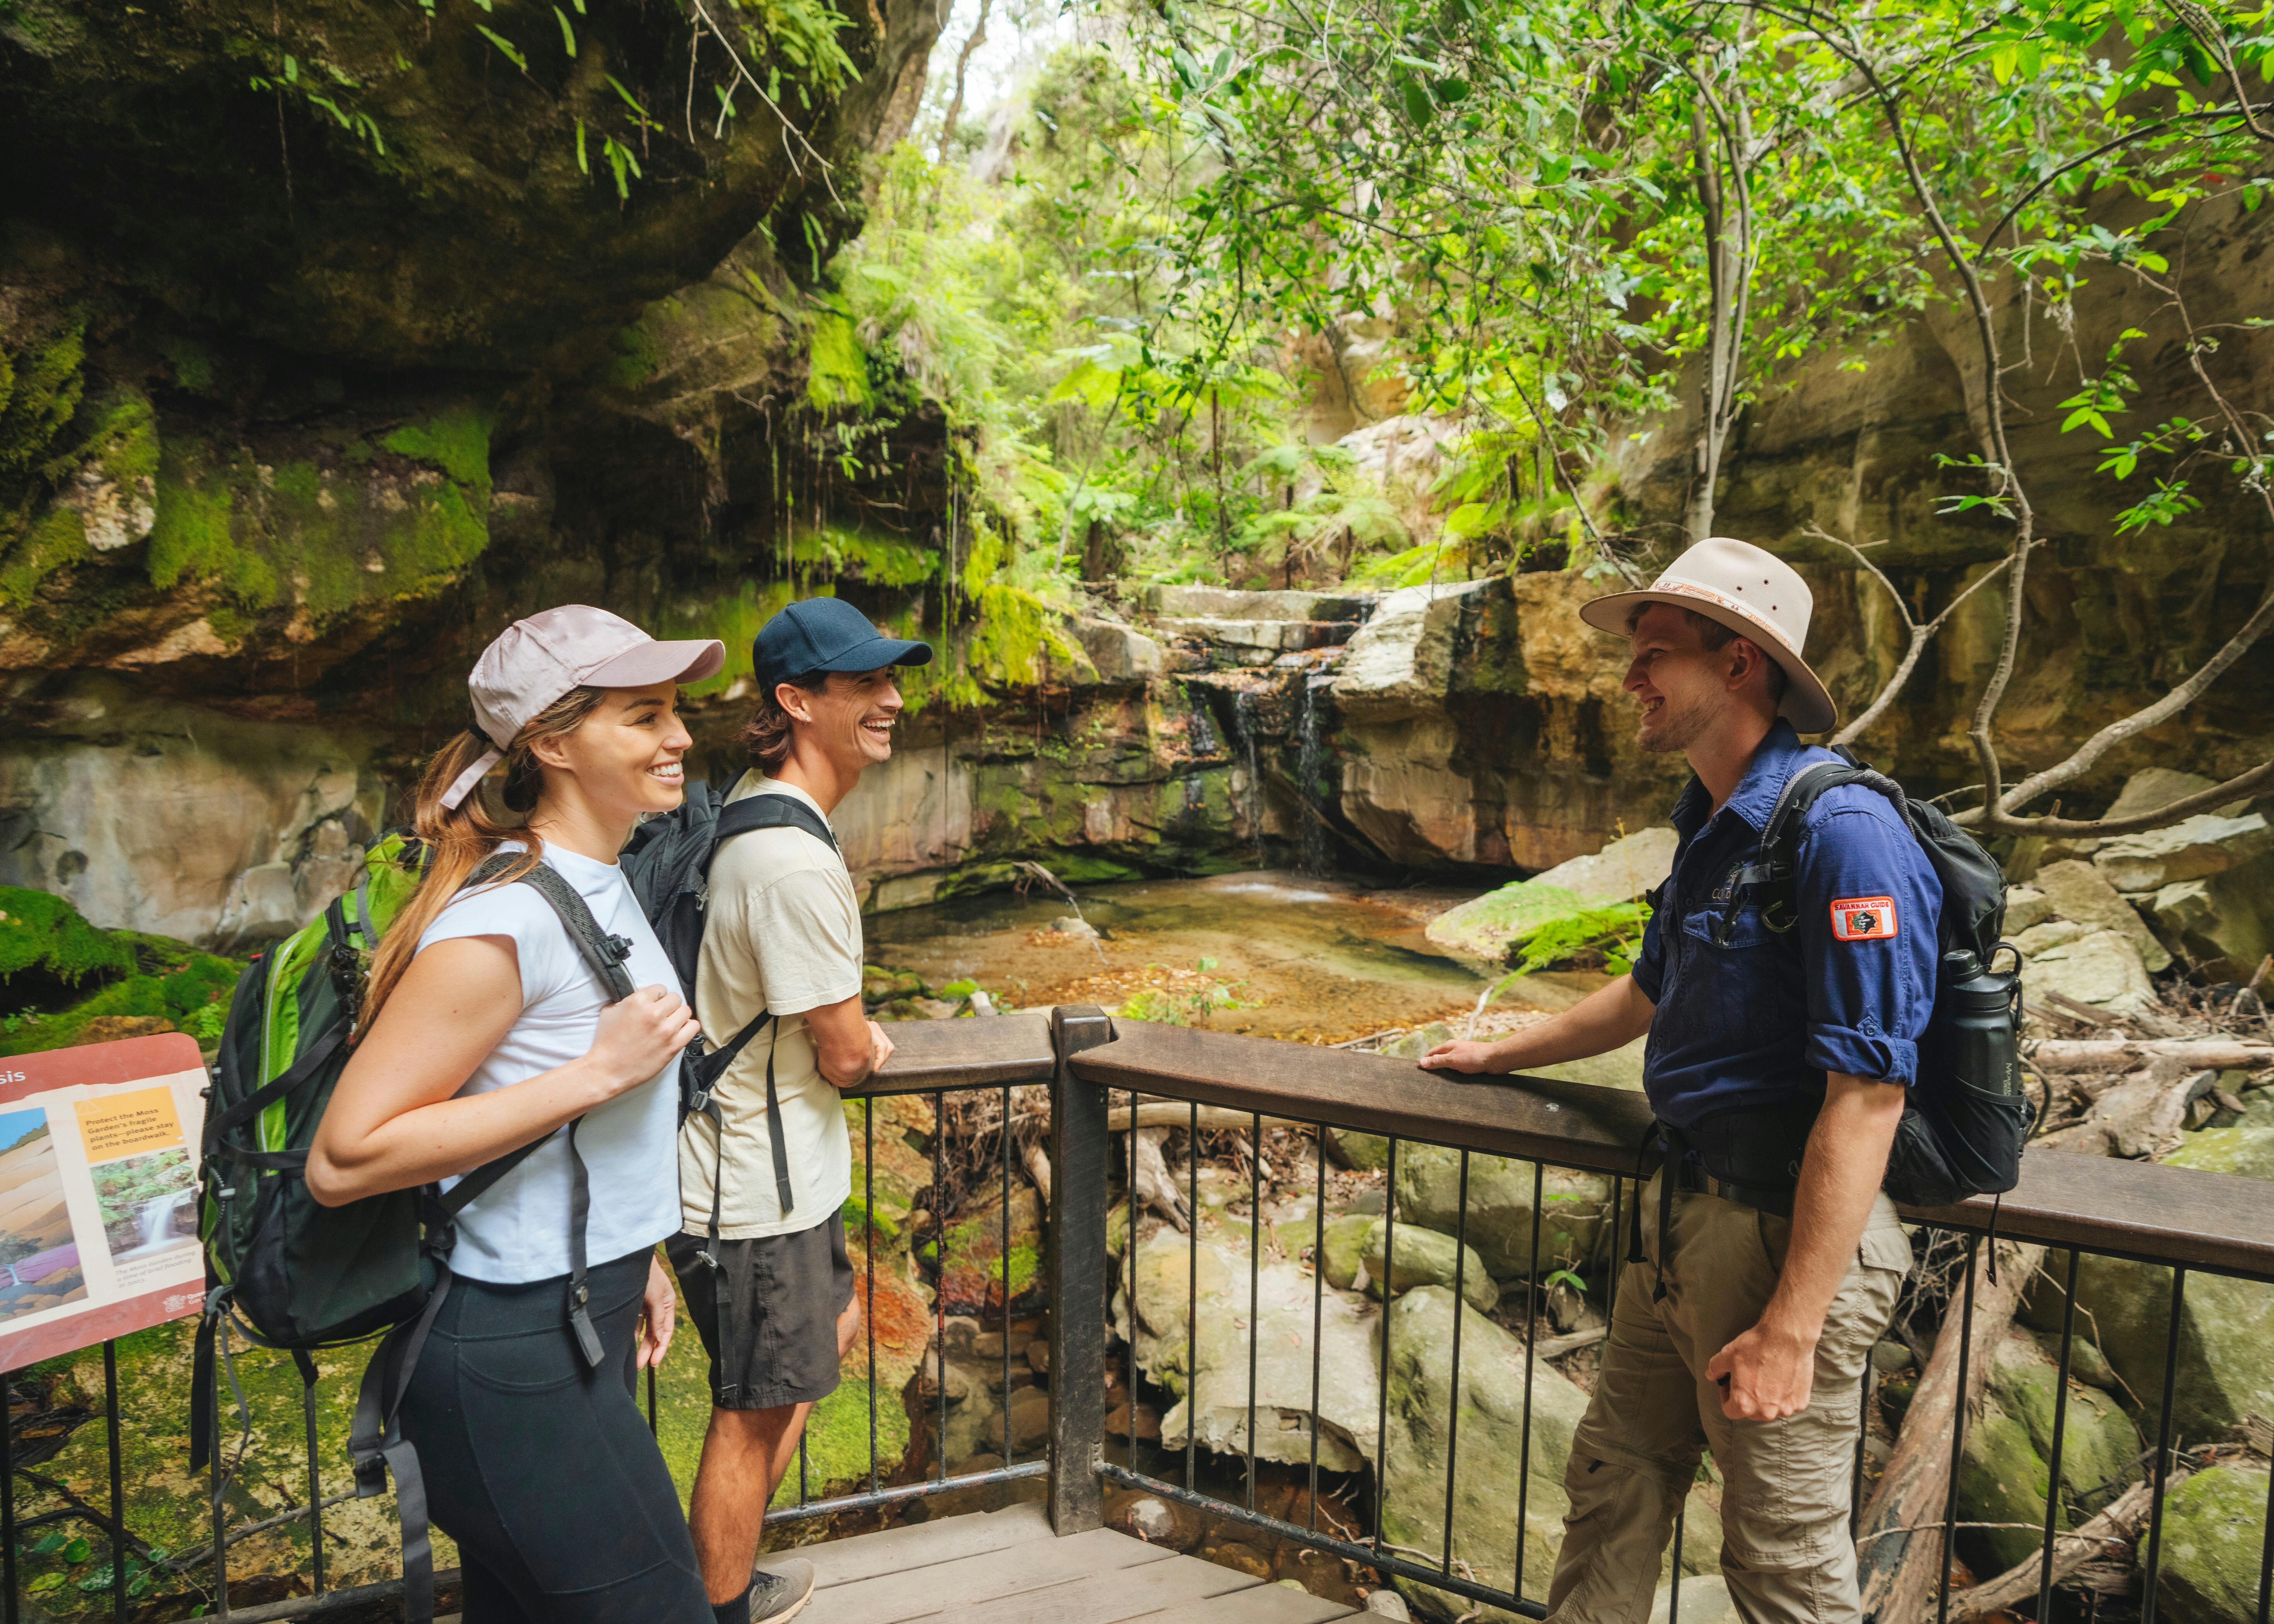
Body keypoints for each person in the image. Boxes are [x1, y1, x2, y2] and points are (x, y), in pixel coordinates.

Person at [1422, 537, 1939, 1624]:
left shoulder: (1845, 833)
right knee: (1613, 1481)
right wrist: (1498, 1052)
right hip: (1678, 1222)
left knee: (1783, 1566)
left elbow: (1869, 1093)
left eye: (1654, 653)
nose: (1630, 679)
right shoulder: (1708, 823)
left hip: (1781, 1241)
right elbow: (1645, 993)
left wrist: (1792, 1328)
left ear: (1739, 661)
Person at [307, 604, 728, 1623]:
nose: (679, 736)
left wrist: (636, 1251)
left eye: (674, 711)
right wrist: (594, 1073)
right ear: (551, 743)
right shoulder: (504, 918)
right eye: (644, 716)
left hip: (579, 1314)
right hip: (509, 1354)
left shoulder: (602, 880)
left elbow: (568, 1123)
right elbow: (345, 1156)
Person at [667, 597, 933, 1624]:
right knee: (752, 1411)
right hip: (753, 1191)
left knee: (821, 1346)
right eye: (865, 682)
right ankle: (715, 1607)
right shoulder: (790, 862)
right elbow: (847, 1052)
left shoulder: (763, 811)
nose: (892, 698)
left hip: (783, 1175)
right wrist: (862, 1041)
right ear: (795, 700)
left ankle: (717, 1575)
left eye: (891, 679)